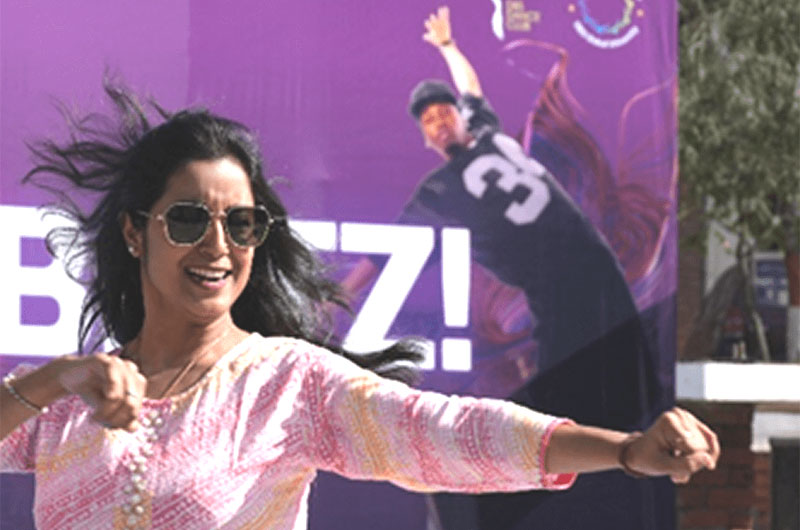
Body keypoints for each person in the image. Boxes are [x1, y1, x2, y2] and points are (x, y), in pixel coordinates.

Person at [0, 81, 717, 529]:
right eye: (189, 219)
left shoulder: (287, 384)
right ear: (135, 232)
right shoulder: (70, 400)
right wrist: (57, 378)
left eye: (241, 224)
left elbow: (448, 432)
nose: (218, 245)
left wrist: (625, 451)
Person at [339, 6, 680, 529]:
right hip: (560, 293)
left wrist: (448, 48)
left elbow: (471, 87)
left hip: (597, 270)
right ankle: (466, 503)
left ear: (459, 117)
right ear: (425, 138)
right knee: (558, 416)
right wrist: (340, 294)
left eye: (444, 113)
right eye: (429, 121)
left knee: (620, 396)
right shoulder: (439, 189)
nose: (440, 122)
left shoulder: (488, 132)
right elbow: (384, 254)